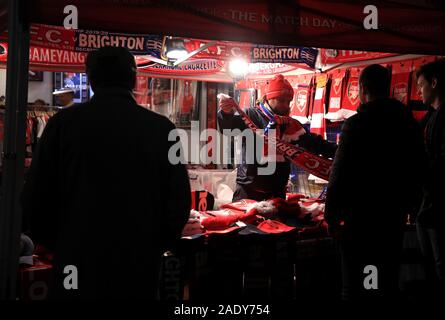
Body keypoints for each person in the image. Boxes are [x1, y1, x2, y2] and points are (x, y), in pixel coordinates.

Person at [21, 46, 191, 299]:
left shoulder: (62, 125)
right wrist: (155, 244)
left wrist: (59, 243)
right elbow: (179, 201)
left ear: (90, 78)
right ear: (134, 78)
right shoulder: (161, 129)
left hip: (76, 258)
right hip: (137, 262)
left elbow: (35, 195)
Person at [324, 64, 426, 302]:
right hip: (393, 216)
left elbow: (339, 174)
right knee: (384, 281)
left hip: (359, 220)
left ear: (363, 88)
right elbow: (419, 166)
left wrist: (331, 215)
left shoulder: (357, 124)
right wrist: (411, 205)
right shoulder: (408, 122)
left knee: (355, 287)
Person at [218, 74, 336, 201]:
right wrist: (226, 112)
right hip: (248, 192)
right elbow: (227, 128)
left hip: (277, 193)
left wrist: (342, 150)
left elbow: (315, 144)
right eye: (281, 100)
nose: (286, 105)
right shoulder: (251, 115)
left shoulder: (291, 124)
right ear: (269, 98)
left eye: (289, 101)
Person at [415, 59, 445, 297]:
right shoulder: (432, 116)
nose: (418, 90)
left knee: (440, 263)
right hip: (428, 201)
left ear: (434, 83)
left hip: (438, 204)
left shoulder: (443, 118)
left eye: (421, 84)